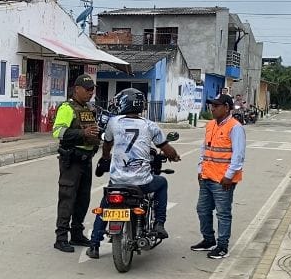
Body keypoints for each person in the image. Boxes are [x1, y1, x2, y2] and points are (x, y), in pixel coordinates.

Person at [86, 88, 180, 259]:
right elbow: (166, 148)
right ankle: (159, 223)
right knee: (162, 183)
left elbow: (107, 144)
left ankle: (94, 245)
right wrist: (174, 156)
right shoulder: (150, 125)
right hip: (141, 182)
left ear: (123, 103)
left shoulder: (113, 122)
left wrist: (106, 158)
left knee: (105, 204)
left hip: (118, 181)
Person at [191, 94, 246, 259]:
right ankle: (208, 240)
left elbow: (238, 155)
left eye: (216, 106)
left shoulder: (235, 127)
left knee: (223, 213)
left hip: (223, 180)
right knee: (202, 209)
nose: (212, 109)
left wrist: (229, 176)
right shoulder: (210, 125)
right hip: (207, 176)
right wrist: (200, 169)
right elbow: (205, 149)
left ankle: (222, 246)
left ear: (227, 107)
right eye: (211, 106)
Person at [52, 74, 101, 253]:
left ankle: (77, 234)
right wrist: (82, 134)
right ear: (76, 89)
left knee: (83, 200)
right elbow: (58, 132)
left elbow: (93, 131)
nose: (90, 93)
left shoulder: (89, 108)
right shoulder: (67, 108)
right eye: (87, 90)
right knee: (67, 198)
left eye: (92, 90)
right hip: (71, 160)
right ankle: (61, 237)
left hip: (86, 159)